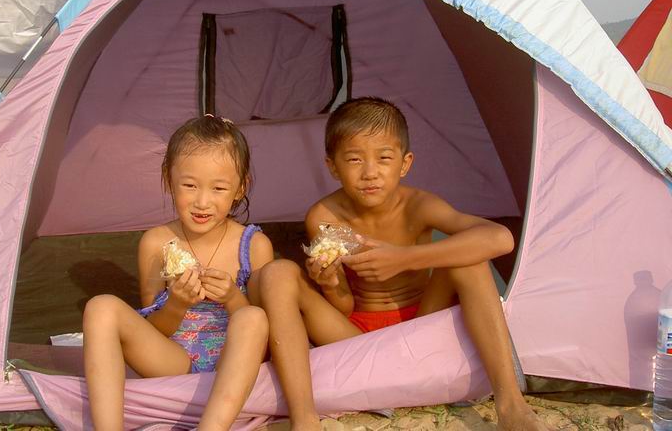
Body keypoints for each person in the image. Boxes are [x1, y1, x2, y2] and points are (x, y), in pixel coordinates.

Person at [257, 97, 547, 431]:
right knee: (278, 272)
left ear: (405, 163)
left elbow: (500, 238)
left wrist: (403, 258)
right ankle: (305, 419)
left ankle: (511, 405)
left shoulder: (418, 205)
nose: (370, 173)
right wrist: (329, 283)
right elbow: (344, 305)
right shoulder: (326, 216)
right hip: (356, 337)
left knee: (469, 260)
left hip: (420, 325)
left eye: (384, 158)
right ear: (333, 166)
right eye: (354, 159)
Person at [83, 115, 274, 431]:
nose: (202, 202)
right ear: (168, 179)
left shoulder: (254, 245)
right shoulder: (156, 242)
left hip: (233, 361)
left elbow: (265, 331)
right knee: (100, 307)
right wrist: (177, 304)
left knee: (253, 317)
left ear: (240, 188)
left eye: (218, 188)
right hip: (174, 359)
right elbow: (155, 328)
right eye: (189, 186)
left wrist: (231, 298)